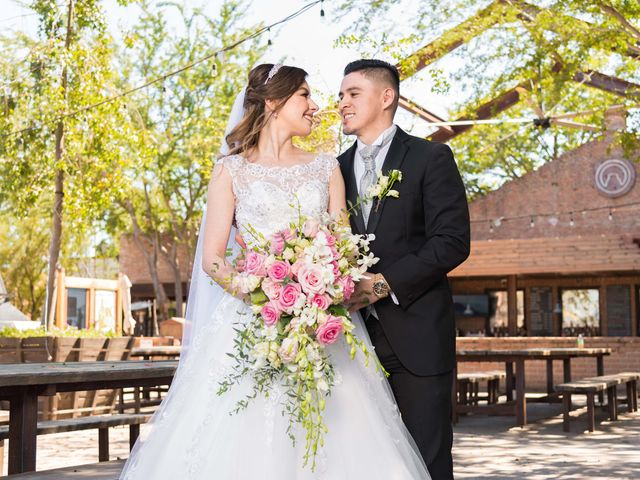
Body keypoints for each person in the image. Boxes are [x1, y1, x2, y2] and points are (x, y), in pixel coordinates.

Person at [119, 63, 431, 479]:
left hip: (322, 326)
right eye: (305, 94)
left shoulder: (326, 168)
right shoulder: (231, 171)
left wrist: (316, 291)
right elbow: (213, 259)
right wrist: (266, 294)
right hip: (252, 324)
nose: (317, 106)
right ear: (273, 102)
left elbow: (344, 248)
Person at [338, 59, 470, 480]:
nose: (342, 103)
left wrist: (383, 284)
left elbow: (452, 241)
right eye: (340, 95)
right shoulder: (333, 170)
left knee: (427, 463)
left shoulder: (431, 157)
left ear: (386, 97)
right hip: (348, 344)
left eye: (352, 93)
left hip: (417, 339)